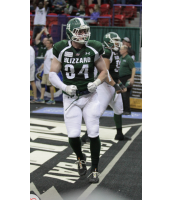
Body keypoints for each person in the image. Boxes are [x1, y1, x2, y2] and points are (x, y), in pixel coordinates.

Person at [49, 17, 108, 183]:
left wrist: (96, 82)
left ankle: (95, 168)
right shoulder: (61, 48)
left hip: (90, 96)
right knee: (74, 134)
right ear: (70, 32)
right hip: (70, 97)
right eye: (79, 31)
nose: (84, 34)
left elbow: (103, 71)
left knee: (93, 132)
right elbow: (52, 74)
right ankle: (80, 156)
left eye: (85, 31)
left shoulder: (94, 48)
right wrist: (64, 87)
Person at [81, 32, 131, 142]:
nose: (118, 43)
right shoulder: (107, 52)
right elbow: (105, 73)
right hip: (104, 85)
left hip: (112, 84)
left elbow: (114, 72)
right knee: (98, 111)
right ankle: (87, 134)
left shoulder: (115, 52)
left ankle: (119, 134)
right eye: (115, 41)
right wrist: (115, 85)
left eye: (118, 41)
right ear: (108, 42)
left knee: (119, 109)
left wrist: (119, 83)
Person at [36, 39, 56, 104]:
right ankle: (41, 98)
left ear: (51, 44)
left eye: (47, 43)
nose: (46, 44)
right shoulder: (47, 51)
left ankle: (52, 99)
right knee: (42, 84)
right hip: (45, 71)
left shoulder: (51, 51)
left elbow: (53, 61)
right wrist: (43, 65)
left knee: (50, 85)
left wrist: (51, 71)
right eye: (46, 43)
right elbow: (47, 60)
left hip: (49, 72)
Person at [119, 45, 136, 115]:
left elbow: (133, 68)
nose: (120, 50)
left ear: (125, 50)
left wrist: (132, 78)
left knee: (125, 94)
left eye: (121, 49)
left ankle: (127, 110)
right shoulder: (120, 58)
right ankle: (122, 109)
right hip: (120, 78)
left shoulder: (129, 58)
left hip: (126, 78)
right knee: (121, 94)